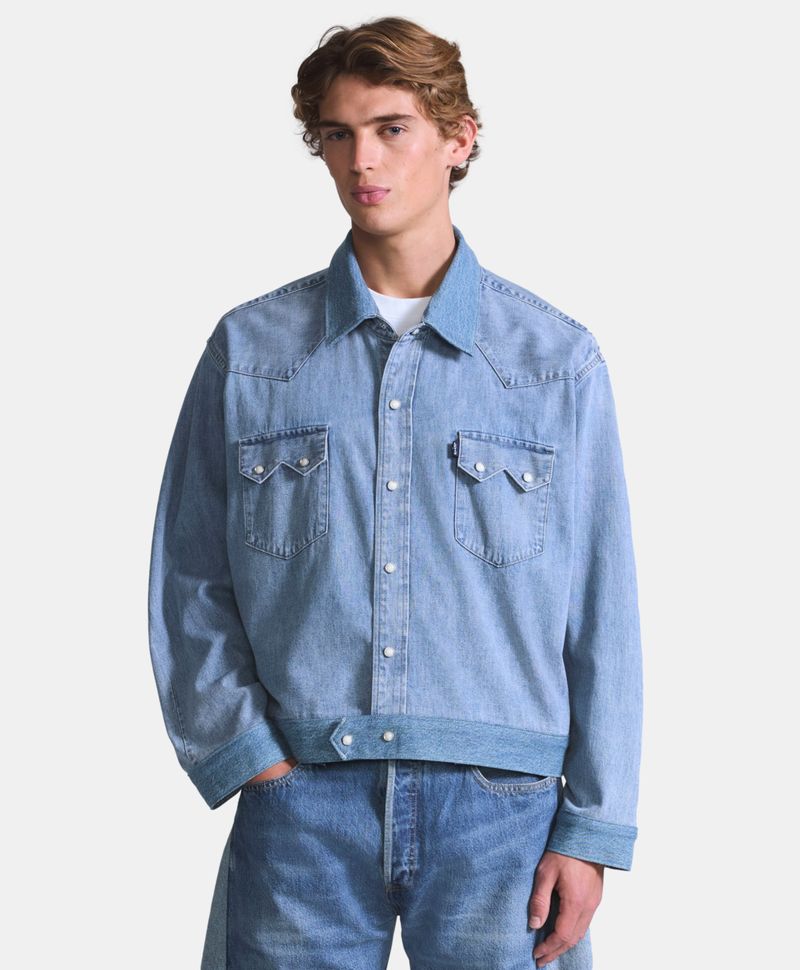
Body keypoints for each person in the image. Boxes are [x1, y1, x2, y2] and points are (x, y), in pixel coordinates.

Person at [147, 16, 643, 970]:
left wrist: (593, 827)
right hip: (305, 802)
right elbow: (189, 577)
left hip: (505, 815)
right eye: (338, 134)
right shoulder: (252, 353)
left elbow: (603, 608)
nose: (361, 159)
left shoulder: (554, 362)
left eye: (391, 128)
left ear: (458, 139)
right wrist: (253, 759)